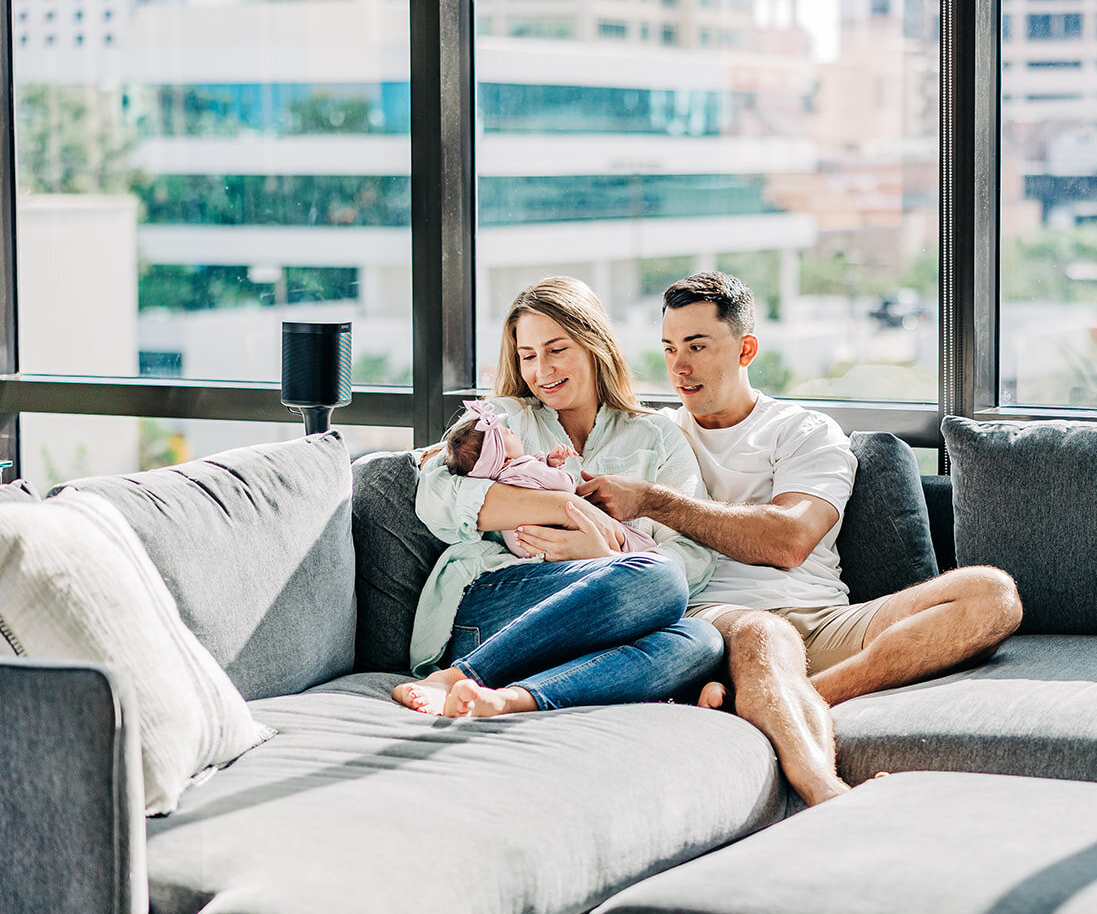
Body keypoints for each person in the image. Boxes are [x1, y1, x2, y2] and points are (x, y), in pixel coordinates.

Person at [578, 271, 1023, 804]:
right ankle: (827, 791)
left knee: (991, 593)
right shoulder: (655, 436)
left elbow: (789, 542)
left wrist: (655, 499)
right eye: (670, 348)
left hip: (823, 619)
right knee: (764, 635)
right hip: (719, 625)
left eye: (697, 346)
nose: (679, 366)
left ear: (746, 349)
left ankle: (781, 699)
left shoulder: (802, 430)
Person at [393, 276, 722, 720]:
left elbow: (694, 556)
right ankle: (458, 675)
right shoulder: (504, 420)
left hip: (603, 617)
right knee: (659, 577)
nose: (541, 370)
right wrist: (566, 508)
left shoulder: (658, 436)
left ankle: (510, 699)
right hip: (496, 609)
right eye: (527, 356)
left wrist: (602, 556)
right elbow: (436, 496)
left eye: (556, 349)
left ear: (594, 343)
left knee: (701, 639)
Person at [441, 398, 654, 559]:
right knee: (634, 544)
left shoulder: (502, 480)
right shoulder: (523, 468)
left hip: (528, 546)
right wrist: (567, 478)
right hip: (561, 531)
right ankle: (643, 556)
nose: (512, 432)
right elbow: (562, 486)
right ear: (504, 459)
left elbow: (534, 478)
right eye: (506, 433)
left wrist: (549, 460)